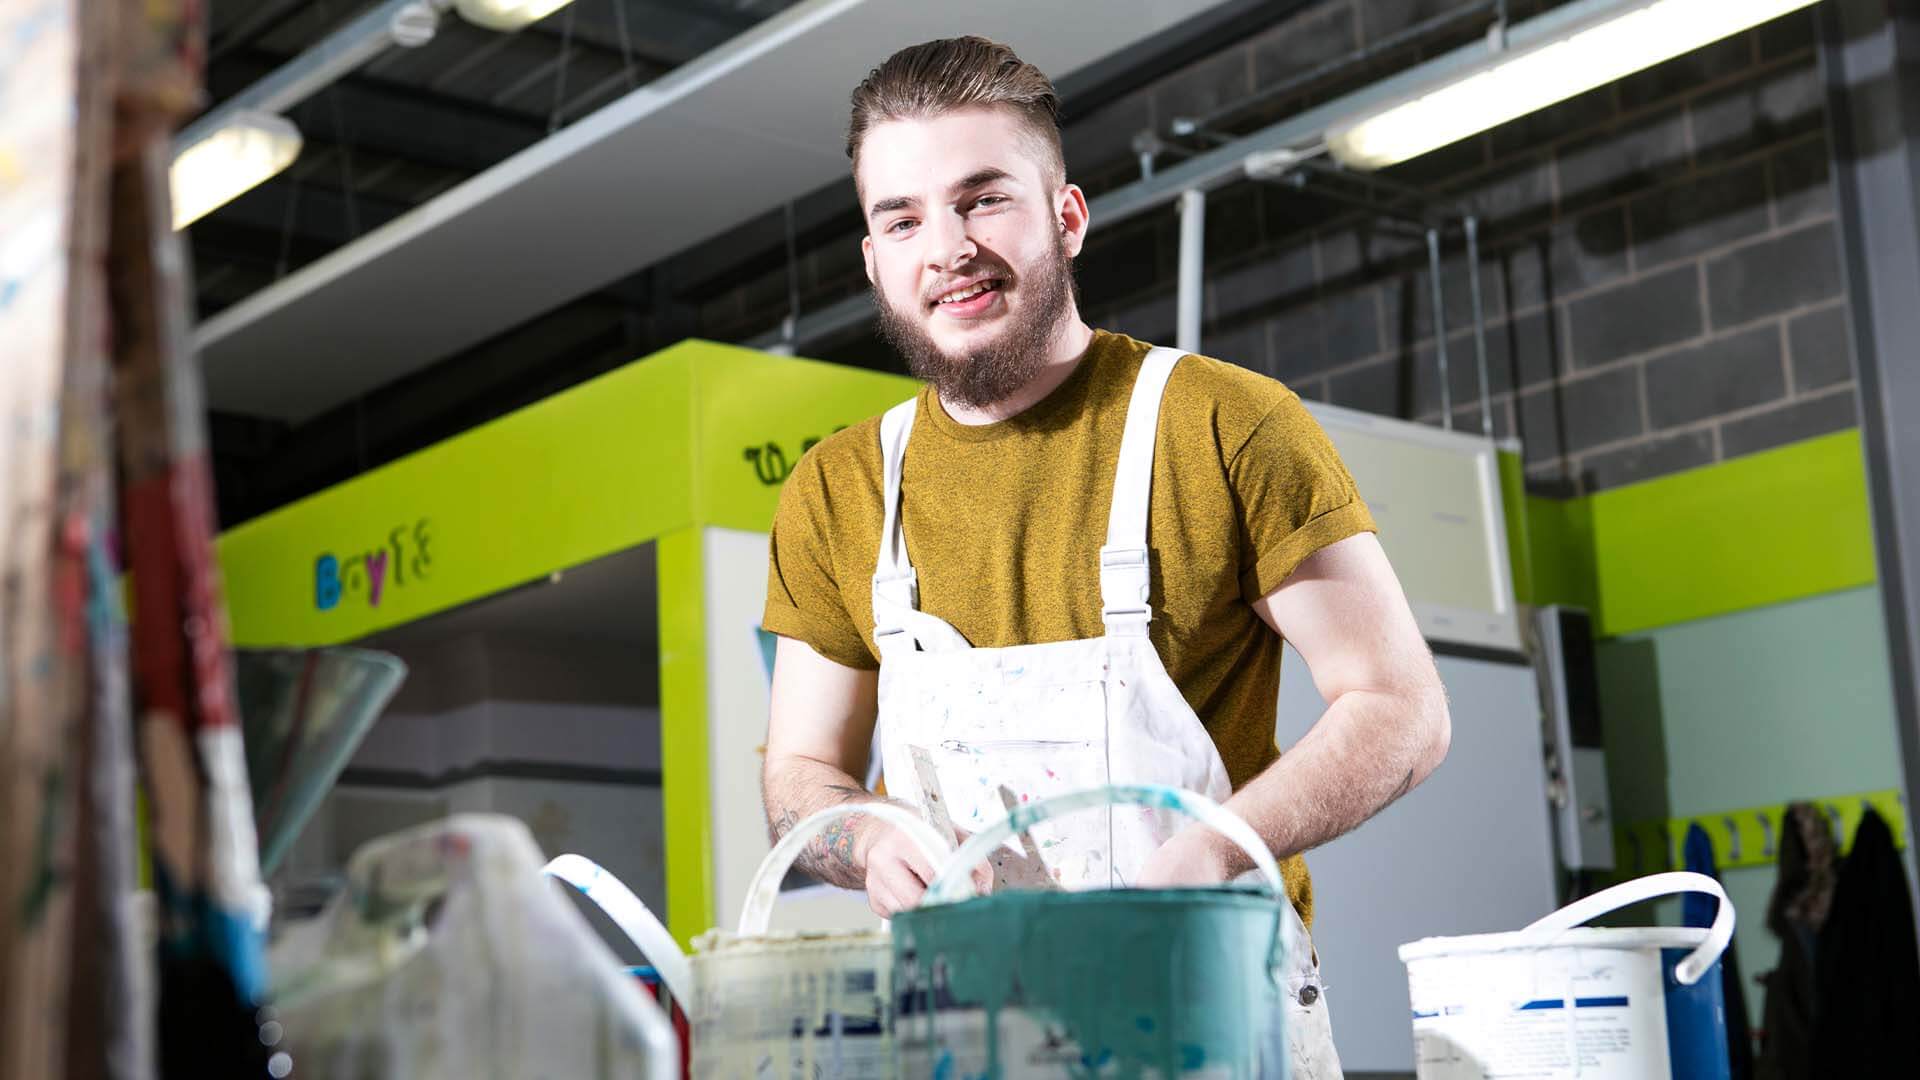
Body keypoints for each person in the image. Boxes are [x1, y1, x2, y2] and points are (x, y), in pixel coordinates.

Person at [760, 36, 1450, 1075]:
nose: (946, 246)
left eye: (984, 199)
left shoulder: (1224, 423)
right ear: (873, 260)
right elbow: (798, 774)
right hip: (967, 1033)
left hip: (1208, 1013)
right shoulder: (838, 490)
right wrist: (863, 841)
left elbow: (1401, 710)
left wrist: (1213, 850)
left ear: (1067, 216)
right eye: (902, 218)